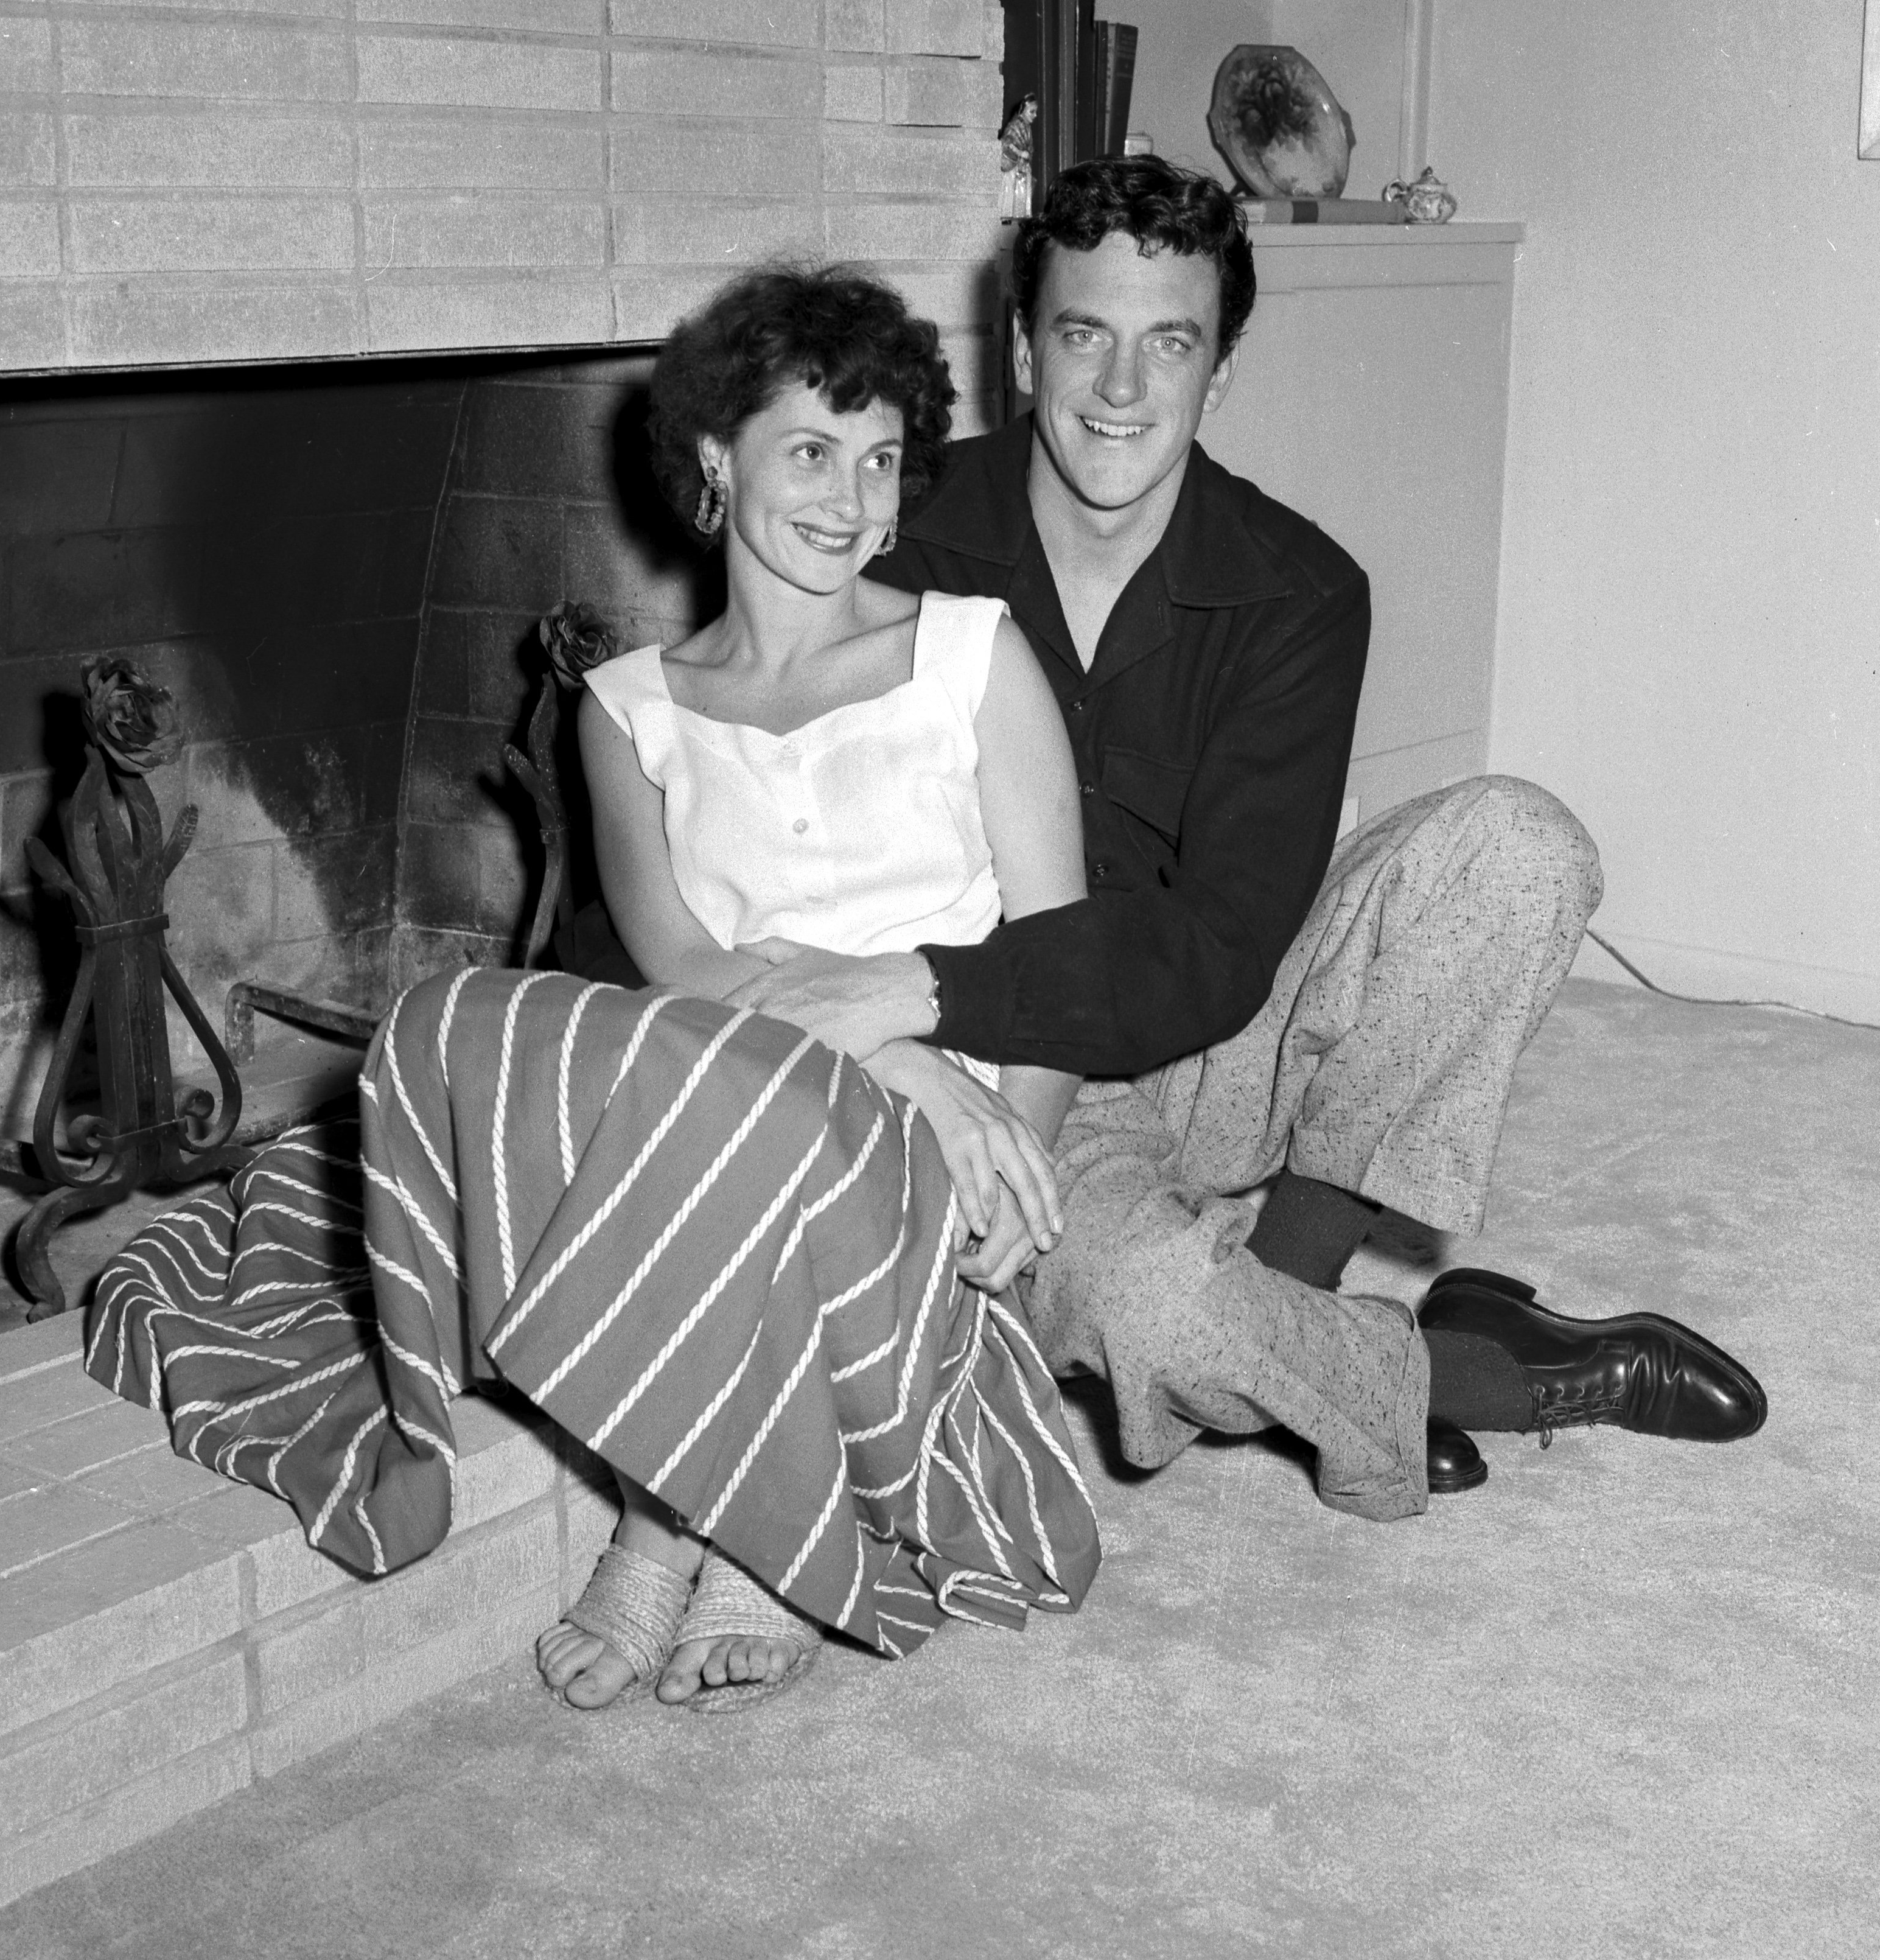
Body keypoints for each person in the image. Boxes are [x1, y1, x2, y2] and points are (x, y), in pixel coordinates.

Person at [88, 265, 1102, 1719]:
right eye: (809, 450)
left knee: (725, 1088)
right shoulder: (627, 707)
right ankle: (721, 1475)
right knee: (457, 1020)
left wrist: (1014, 1170)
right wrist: (888, 1044)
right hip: (761, 1079)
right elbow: (690, 969)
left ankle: (675, 1520)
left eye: (880, 459)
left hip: (940, 1137)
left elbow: (1056, 956)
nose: (851, 497)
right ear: (714, 458)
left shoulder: (966, 655)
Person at [713, 154, 1766, 1517]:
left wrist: (913, 982)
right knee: (1156, 1310)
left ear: (1219, 375)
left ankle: (1296, 1278)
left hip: (1216, 1023)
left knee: (1523, 845)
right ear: (1024, 351)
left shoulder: (1299, 587)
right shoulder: (891, 531)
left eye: (1171, 345)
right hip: (1020, 1076)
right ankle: (1471, 1367)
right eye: (1083, 335)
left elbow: (1225, 939)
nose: (1120, 391)